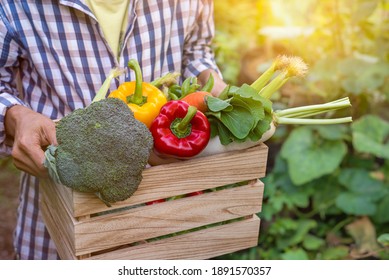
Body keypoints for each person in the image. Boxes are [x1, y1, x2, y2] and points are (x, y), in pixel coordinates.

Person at [0, 0, 226, 259]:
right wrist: (16, 117)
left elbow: (196, 50)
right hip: (59, 204)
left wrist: (214, 87)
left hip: (165, 204)